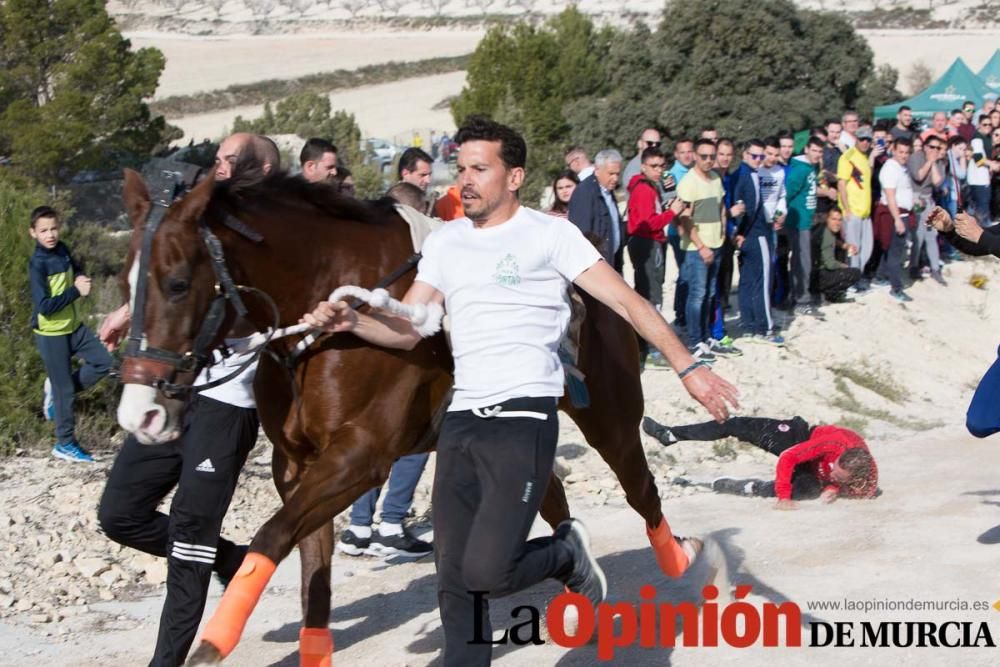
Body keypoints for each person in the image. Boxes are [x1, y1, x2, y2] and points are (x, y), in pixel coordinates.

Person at [303, 115, 739, 666]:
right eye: (461, 168)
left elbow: (628, 302)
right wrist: (353, 324)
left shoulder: (549, 233)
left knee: (490, 570)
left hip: (523, 417)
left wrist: (688, 368)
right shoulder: (449, 241)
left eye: (479, 169)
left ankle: (565, 552)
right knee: (453, 578)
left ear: (514, 177)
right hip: (461, 422)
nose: (465, 180)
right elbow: (413, 325)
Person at [97, 132, 279, 667]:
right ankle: (237, 559)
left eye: (227, 161)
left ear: (261, 169)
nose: (214, 169)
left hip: (227, 399)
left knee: (189, 537)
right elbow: (172, 282)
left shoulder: (269, 235)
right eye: (217, 160)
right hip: (173, 392)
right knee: (119, 514)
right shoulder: (204, 223)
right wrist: (131, 312)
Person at [338, 178, 435, 559]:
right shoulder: (414, 249)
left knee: (373, 443)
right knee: (415, 441)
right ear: (417, 211)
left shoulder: (364, 249)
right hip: (404, 360)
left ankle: (359, 527)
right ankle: (392, 525)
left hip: (367, 365)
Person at [642, 415, 878, 509]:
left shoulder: (867, 480)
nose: (833, 473)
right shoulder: (834, 444)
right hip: (800, 439)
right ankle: (670, 434)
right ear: (838, 459)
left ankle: (747, 487)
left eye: (838, 476)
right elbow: (789, 457)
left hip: (811, 472)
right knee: (734, 425)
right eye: (834, 469)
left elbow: (860, 493)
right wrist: (783, 498)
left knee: (805, 491)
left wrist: (832, 487)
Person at [29, 206, 113, 462]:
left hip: (74, 328)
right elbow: (44, 306)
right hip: (51, 333)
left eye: (53, 228)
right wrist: (76, 292)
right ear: (33, 233)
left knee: (105, 362)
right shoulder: (38, 263)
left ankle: (57, 391)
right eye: (44, 230)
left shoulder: (62, 249)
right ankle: (64, 444)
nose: (50, 234)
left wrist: (81, 276)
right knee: (65, 390)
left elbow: (76, 268)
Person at [677, 139, 735, 359]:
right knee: (697, 295)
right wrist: (701, 246)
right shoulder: (688, 182)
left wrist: (721, 233)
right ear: (695, 157)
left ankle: (706, 335)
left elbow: (721, 207)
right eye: (704, 156)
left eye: (712, 156)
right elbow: (684, 218)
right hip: (697, 249)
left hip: (716, 244)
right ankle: (694, 341)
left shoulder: (715, 179)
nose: (709, 160)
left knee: (711, 294)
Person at [626, 147, 684, 367]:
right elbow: (647, 223)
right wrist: (671, 213)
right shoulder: (644, 190)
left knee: (650, 294)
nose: (659, 170)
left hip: (649, 242)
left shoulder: (650, 187)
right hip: (647, 243)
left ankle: (647, 347)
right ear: (643, 167)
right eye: (654, 166)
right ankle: (650, 349)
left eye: (662, 166)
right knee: (651, 297)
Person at [733, 139, 784, 346]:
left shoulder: (744, 174)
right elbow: (747, 208)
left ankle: (749, 324)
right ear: (745, 154)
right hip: (756, 234)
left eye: (761, 156)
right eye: (754, 155)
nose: (758, 160)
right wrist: (741, 231)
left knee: (747, 280)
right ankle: (765, 327)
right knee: (762, 282)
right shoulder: (747, 176)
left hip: (749, 234)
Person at [784, 137, 824, 316]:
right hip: (797, 223)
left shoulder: (811, 168)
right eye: (814, 150)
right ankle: (801, 300)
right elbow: (786, 194)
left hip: (806, 220)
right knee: (802, 262)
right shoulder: (800, 170)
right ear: (806, 149)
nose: (817, 154)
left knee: (803, 261)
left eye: (820, 151)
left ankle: (799, 296)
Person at [567, 148, 626, 271]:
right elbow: (582, 233)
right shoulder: (585, 193)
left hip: (613, 263)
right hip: (597, 268)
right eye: (611, 174)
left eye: (617, 174)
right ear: (598, 170)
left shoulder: (608, 191)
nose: (615, 179)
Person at [874, 136, 915, 302]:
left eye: (906, 152)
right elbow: (890, 196)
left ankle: (880, 276)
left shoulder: (901, 167)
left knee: (890, 248)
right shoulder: (891, 168)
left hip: (903, 212)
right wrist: (897, 219)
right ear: (894, 151)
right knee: (896, 253)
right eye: (901, 152)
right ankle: (896, 288)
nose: (904, 155)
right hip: (894, 214)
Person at [837, 126, 875, 288]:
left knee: (866, 248)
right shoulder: (848, 157)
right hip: (853, 211)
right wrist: (847, 210)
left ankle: (857, 278)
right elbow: (841, 184)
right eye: (862, 139)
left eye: (868, 140)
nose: (865, 143)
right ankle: (850, 283)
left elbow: (865, 179)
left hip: (865, 211)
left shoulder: (863, 157)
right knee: (853, 250)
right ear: (856, 140)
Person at [907, 133, 946, 285]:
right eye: (932, 147)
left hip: (928, 200)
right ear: (925, 147)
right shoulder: (916, 157)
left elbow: (937, 182)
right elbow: (918, 176)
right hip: (916, 199)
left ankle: (935, 268)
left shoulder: (940, 162)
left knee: (932, 235)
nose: (935, 150)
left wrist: (934, 163)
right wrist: (929, 162)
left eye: (938, 148)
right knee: (918, 236)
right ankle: (914, 266)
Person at [667, 138, 696, 328]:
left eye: (689, 151)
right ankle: (681, 314)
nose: (686, 155)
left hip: (693, 229)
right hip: (678, 231)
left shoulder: (694, 171)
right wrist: (678, 225)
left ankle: (687, 312)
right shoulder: (672, 175)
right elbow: (670, 203)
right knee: (685, 272)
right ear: (676, 154)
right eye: (682, 152)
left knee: (691, 271)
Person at [816, 209, 861, 303]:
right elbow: (830, 264)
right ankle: (829, 295)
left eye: (839, 220)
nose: (837, 223)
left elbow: (834, 242)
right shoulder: (826, 235)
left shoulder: (825, 231)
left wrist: (845, 245)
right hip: (819, 275)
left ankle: (829, 294)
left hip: (817, 274)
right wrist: (845, 267)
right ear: (827, 219)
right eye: (834, 219)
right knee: (855, 273)